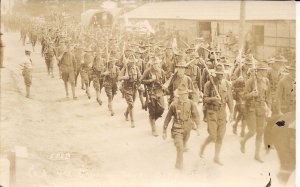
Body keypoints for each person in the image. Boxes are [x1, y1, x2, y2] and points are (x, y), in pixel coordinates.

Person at [200, 64, 233, 165]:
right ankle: (203, 146)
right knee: (213, 136)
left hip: (222, 113)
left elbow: (230, 100)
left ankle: (216, 157)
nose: (220, 76)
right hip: (212, 112)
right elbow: (204, 99)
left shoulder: (226, 84)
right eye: (218, 74)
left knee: (220, 136)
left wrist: (231, 112)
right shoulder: (209, 84)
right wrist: (213, 99)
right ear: (215, 74)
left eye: (222, 74)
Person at [163, 83, 200, 169]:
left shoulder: (191, 104)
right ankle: (179, 165)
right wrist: (164, 131)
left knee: (184, 143)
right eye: (182, 95)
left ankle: (180, 159)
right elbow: (167, 118)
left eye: (185, 94)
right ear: (179, 95)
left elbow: (196, 115)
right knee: (180, 147)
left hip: (187, 128)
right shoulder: (174, 105)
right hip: (177, 129)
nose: (184, 96)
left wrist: (198, 127)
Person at [240, 61, 271, 163]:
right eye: (262, 71)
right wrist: (252, 94)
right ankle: (243, 141)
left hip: (261, 108)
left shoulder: (266, 81)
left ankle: (256, 155)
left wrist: (269, 107)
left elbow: (268, 96)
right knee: (252, 131)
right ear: (257, 71)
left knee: (260, 132)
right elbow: (243, 96)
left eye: (265, 71)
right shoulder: (250, 81)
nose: (264, 73)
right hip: (251, 108)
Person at [141, 60, 166, 136]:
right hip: (151, 92)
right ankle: (153, 129)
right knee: (152, 110)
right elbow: (141, 80)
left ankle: (153, 120)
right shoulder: (148, 71)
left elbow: (164, 81)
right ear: (152, 64)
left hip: (159, 92)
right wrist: (150, 80)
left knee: (161, 109)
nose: (156, 65)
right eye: (154, 63)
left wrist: (164, 87)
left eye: (157, 63)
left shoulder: (161, 71)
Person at [119, 54, 142, 128]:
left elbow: (140, 77)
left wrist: (140, 84)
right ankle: (132, 121)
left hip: (134, 88)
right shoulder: (125, 68)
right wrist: (124, 77)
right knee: (131, 105)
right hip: (127, 88)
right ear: (128, 62)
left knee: (131, 104)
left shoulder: (136, 68)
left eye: (133, 61)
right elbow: (118, 77)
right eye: (130, 61)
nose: (132, 63)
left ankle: (126, 113)